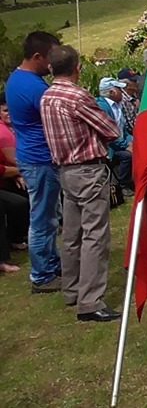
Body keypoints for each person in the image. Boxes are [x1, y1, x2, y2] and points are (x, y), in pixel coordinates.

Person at [41, 45, 122, 322]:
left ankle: (72, 289)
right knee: (94, 236)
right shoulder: (77, 97)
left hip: (65, 170)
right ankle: (90, 301)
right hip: (87, 168)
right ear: (77, 67)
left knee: (71, 235)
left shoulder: (47, 96)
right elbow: (111, 129)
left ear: (51, 68)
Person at [4, 31, 63, 294]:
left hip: (33, 157)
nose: (52, 64)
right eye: (50, 57)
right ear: (37, 56)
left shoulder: (16, 80)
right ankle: (41, 275)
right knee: (42, 218)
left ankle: (50, 264)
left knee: (48, 216)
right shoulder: (34, 87)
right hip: (39, 159)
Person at [0, 91, 29, 253]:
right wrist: (20, 172)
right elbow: (11, 162)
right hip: (5, 179)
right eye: (5, 110)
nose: (9, 113)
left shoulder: (15, 127)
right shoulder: (3, 133)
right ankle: (16, 238)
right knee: (20, 201)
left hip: (11, 176)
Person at [95, 78, 134, 193]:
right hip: (109, 147)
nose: (122, 92)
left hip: (120, 142)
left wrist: (132, 141)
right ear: (111, 92)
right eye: (119, 89)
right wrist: (126, 145)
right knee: (127, 156)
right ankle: (123, 185)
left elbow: (124, 128)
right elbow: (107, 135)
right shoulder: (102, 107)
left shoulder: (117, 106)